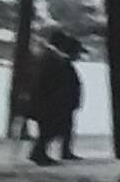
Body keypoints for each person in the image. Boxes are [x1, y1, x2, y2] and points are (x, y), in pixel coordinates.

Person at [16, 24, 84, 165]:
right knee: (50, 129)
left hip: (51, 101)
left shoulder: (52, 58)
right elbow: (51, 83)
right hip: (50, 102)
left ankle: (40, 153)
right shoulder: (53, 60)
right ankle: (39, 154)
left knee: (51, 129)